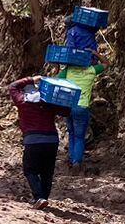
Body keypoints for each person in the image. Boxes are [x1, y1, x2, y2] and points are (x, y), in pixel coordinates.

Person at [8, 76, 68, 206]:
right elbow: (66, 112)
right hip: (52, 140)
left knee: (30, 170)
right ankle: (44, 198)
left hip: (33, 140)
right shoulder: (47, 101)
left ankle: (39, 197)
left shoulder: (22, 101)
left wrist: (31, 79)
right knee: (47, 171)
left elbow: (13, 86)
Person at [59, 59, 104, 169]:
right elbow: (106, 63)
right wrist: (97, 53)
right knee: (79, 136)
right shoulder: (91, 70)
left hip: (67, 107)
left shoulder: (68, 70)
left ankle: (71, 158)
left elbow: (57, 80)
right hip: (81, 107)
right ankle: (76, 162)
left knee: (71, 133)